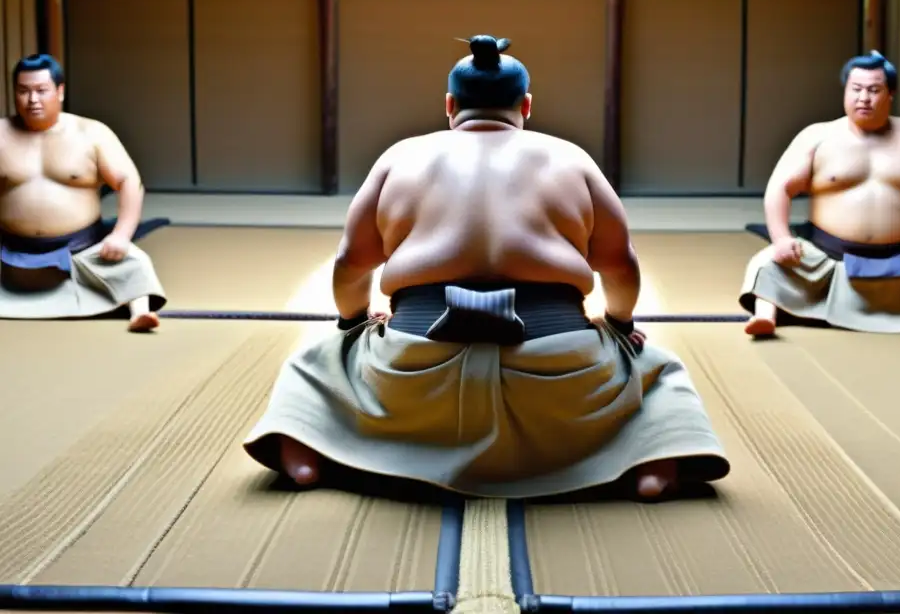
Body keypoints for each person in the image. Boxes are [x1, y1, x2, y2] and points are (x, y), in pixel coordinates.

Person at [243, 35, 730, 501]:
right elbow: (621, 265)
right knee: (657, 371)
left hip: (413, 369)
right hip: (561, 370)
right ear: (527, 105)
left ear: (450, 105)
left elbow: (351, 263)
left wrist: (351, 324)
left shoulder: (401, 157)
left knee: (315, 364)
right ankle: (652, 462)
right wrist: (621, 324)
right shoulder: (572, 159)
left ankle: (306, 451)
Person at [739, 50, 900, 339]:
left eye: (874, 90)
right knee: (766, 264)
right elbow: (780, 188)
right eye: (857, 89)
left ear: (890, 94)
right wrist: (782, 238)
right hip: (829, 257)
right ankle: (766, 315)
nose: (864, 98)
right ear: (846, 91)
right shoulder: (817, 137)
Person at [0, 53, 166, 332]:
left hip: (82, 252)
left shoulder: (91, 133)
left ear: (60, 91)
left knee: (134, 262)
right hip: (10, 252)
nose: (32, 100)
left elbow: (129, 182)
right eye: (23, 91)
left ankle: (139, 312)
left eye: (41, 91)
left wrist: (121, 235)